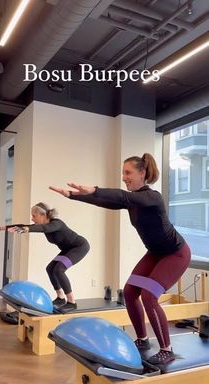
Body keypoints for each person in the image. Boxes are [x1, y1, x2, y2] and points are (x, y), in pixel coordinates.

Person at [49, 153, 191, 364]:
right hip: (155, 253)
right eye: (122, 173)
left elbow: (122, 197)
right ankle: (142, 339)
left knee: (149, 297)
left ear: (142, 173)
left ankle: (166, 349)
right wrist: (71, 195)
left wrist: (95, 188)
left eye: (128, 173)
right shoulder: (132, 202)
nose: (124, 177)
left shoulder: (152, 197)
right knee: (131, 291)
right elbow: (105, 201)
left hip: (175, 253)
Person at [0, 202, 90, 313]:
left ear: (43, 215)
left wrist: (27, 230)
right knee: (50, 269)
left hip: (79, 247)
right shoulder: (44, 226)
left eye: (34, 216)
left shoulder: (57, 223)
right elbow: (25, 226)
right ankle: (60, 298)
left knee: (59, 270)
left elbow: (45, 228)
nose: (32, 219)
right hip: (67, 249)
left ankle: (72, 302)